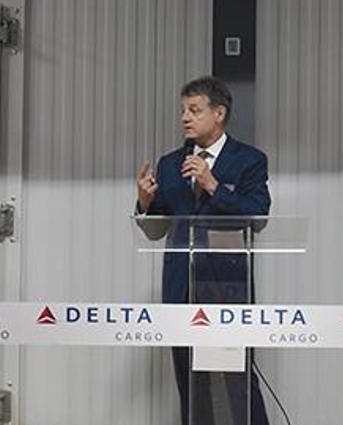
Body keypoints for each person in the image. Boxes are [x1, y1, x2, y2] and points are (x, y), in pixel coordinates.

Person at [136, 76, 271, 425]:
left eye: (194, 110)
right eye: (182, 110)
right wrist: (146, 202)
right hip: (181, 286)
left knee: (237, 379)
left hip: (227, 286)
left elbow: (258, 216)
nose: (185, 118)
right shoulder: (169, 163)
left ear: (219, 113)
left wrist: (213, 185)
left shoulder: (249, 160)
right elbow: (157, 226)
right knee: (189, 379)